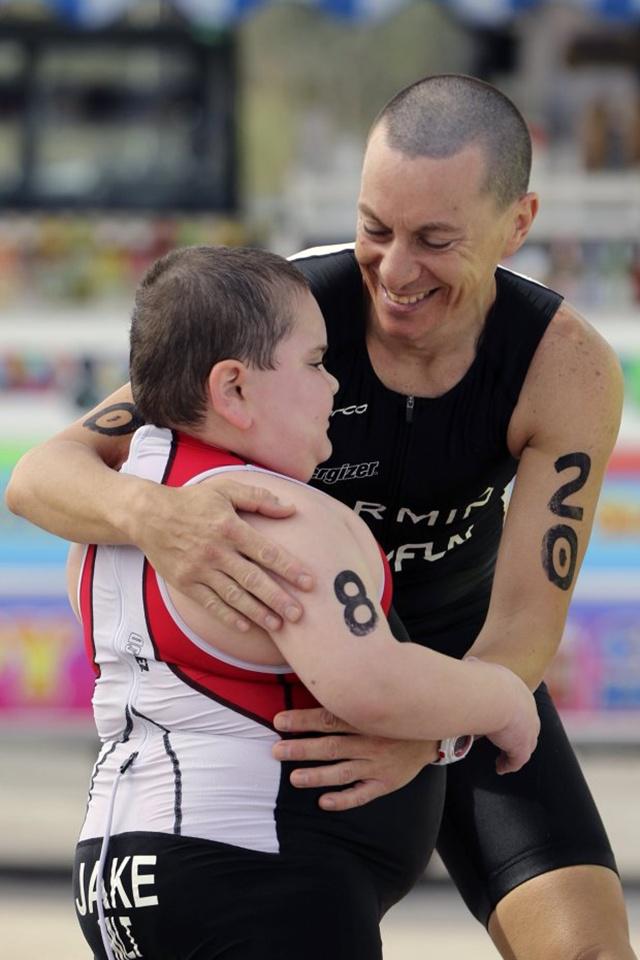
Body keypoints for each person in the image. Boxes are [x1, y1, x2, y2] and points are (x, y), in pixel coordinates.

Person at [6, 75, 634, 959]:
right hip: (293, 676)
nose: (396, 269)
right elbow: (43, 474)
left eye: (435, 240)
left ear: (517, 224)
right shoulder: (288, 313)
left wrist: (428, 730)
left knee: (589, 952)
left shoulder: (564, 367)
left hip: (454, 660)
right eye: (375, 228)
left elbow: (524, 633)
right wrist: (157, 517)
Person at [64, 244, 538, 960]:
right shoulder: (276, 515)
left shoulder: (104, 528)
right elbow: (371, 683)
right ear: (234, 390)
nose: (334, 385)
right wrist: (502, 698)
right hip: (251, 877)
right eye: (316, 362)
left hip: (117, 876)